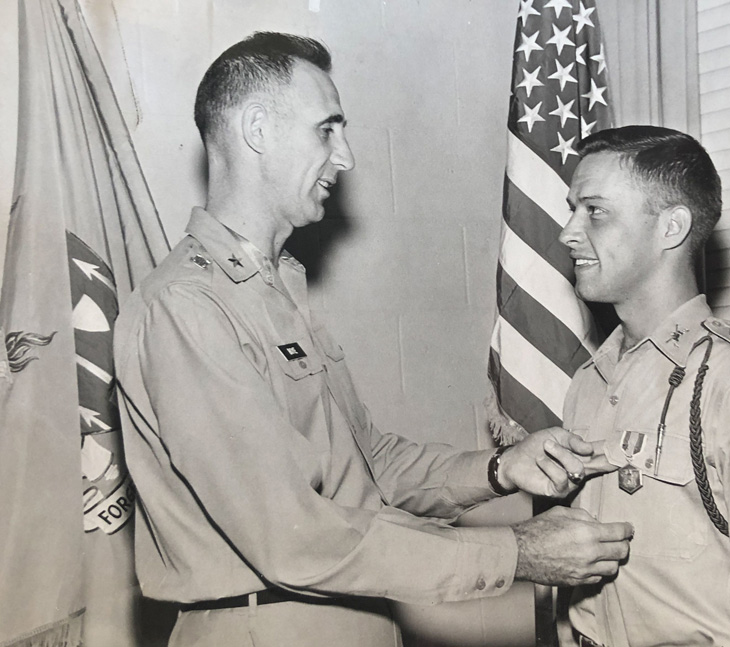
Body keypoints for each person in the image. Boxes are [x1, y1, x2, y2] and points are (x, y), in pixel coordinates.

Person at [113, 32, 632, 647]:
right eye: (326, 130)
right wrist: (514, 554)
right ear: (257, 130)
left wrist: (500, 469)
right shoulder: (187, 307)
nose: (346, 157)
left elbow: (369, 468)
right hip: (266, 626)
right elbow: (292, 538)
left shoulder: (272, 289)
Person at [557, 126, 730, 647]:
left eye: (594, 211)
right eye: (572, 210)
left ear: (671, 228)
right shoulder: (590, 381)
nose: (567, 231)